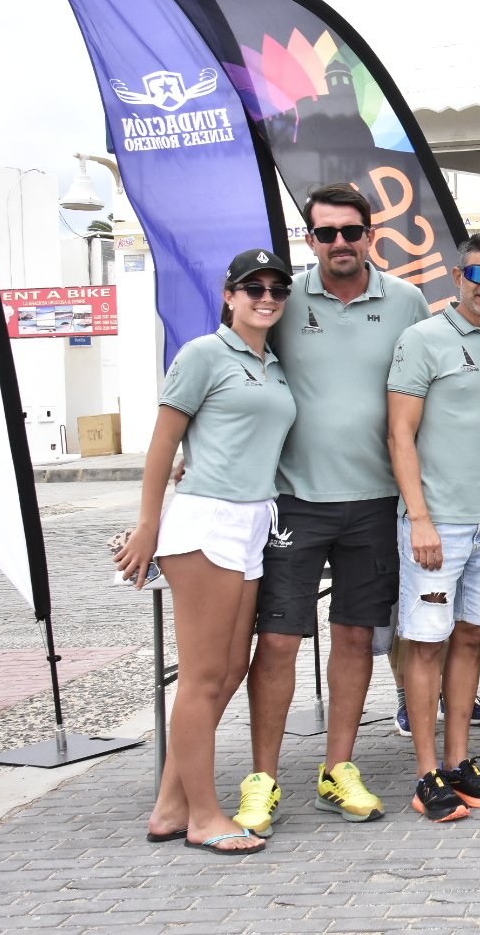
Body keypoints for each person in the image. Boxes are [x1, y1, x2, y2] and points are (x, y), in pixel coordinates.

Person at [235, 185, 430, 837]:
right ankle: (262, 777)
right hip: (295, 500)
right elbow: (237, 371)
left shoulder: (406, 301)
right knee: (281, 641)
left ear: (370, 234)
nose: (340, 244)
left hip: (377, 503)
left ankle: (335, 768)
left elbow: (434, 393)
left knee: (355, 640)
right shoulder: (281, 298)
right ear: (309, 239)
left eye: (351, 232)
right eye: (326, 234)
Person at [114, 248, 297, 855]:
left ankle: (169, 806)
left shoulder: (272, 364)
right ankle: (204, 815)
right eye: (253, 287)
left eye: (276, 287)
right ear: (229, 295)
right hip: (206, 521)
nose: (266, 296)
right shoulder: (202, 354)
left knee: (233, 668)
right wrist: (148, 526)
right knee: (201, 677)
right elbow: (163, 444)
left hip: (253, 521)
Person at [386, 233, 480, 822]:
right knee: (427, 644)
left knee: (470, 640)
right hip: (436, 526)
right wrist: (419, 518)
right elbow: (398, 434)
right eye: (478, 275)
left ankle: (459, 761)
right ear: (458, 276)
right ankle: (425, 774)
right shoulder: (422, 339)